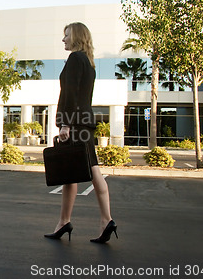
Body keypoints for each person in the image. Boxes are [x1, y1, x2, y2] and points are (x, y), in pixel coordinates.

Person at [44, 22, 118, 244]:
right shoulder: (89, 62)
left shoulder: (76, 59)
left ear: (76, 36)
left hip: (75, 123)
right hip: (84, 121)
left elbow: (71, 94)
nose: (63, 39)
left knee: (89, 170)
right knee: (75, 171)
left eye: (66, 35)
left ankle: (104, 220)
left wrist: (65, 124)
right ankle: (66, 222)